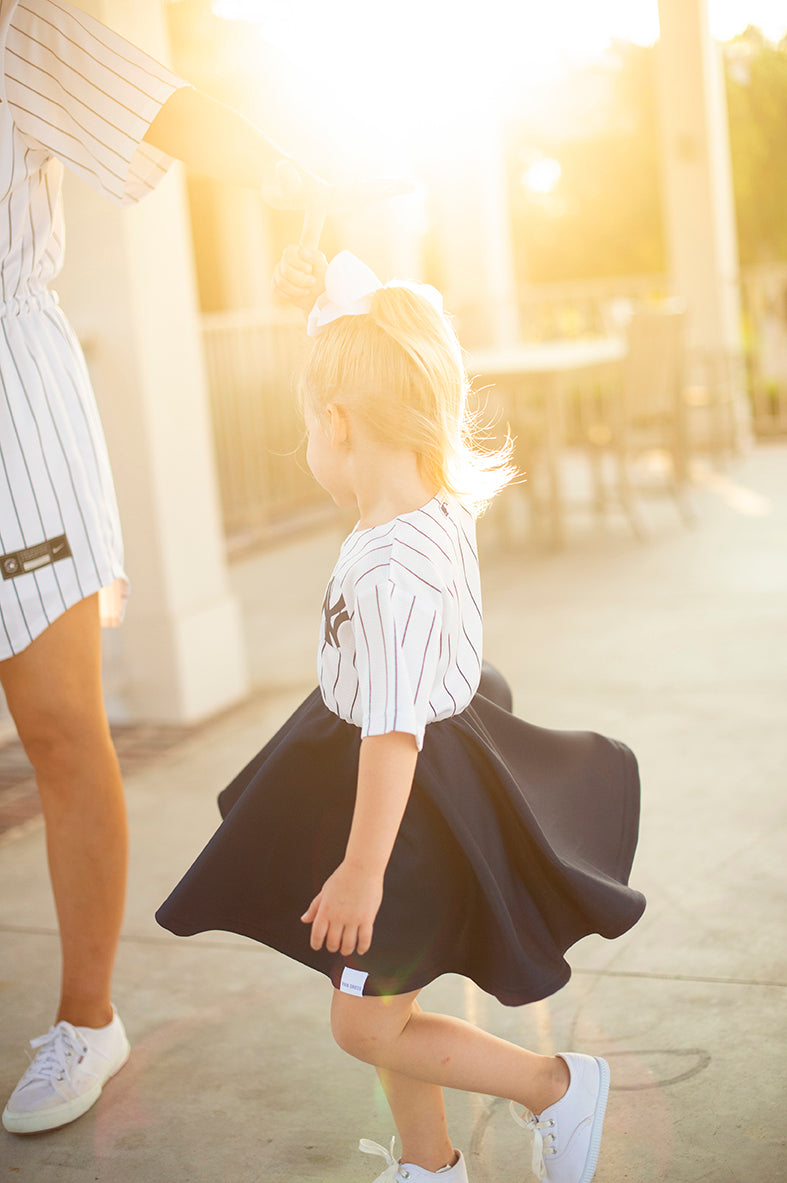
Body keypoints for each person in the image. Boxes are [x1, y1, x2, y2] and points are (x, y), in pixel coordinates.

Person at [156, 248, 646, 1183]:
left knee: (363, 1018)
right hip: (396, 777)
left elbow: (391, 736)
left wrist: (359, 868)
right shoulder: (429, 509)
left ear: (339, 425)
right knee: (384, 985)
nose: (304, 446)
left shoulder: (390, 568)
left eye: (306, 425)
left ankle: (555, 1084)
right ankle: (429, 1163)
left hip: (402, 806)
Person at [0, 0, 323, 1136]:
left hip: (13, 418)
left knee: (56, 725)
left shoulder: (15, 28)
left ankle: (88, 1018)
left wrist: (290, 172)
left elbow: (161, 105)